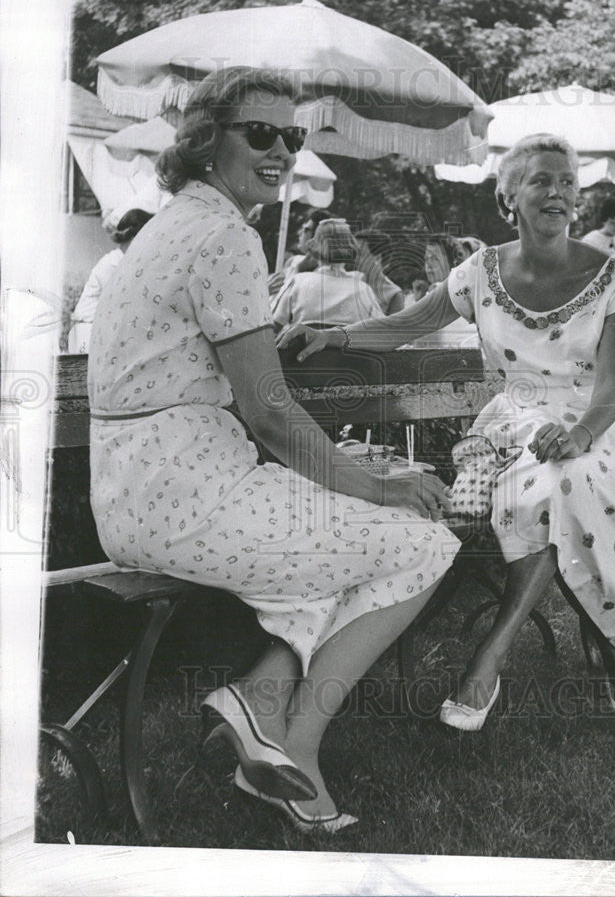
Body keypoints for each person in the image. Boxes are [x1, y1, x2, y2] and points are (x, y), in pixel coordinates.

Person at [87, 66, 458, 831]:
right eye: (261, 133)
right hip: (189, 497)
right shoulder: (224, 233)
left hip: (141, 493)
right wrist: (379, 484)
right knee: (423, 544)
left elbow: (219, 373)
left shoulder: (176, 223)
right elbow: (270, 414)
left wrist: (283, 349)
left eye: (291, 136)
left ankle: (256, 699)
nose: (282, 149)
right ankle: (299, 746)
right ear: (203, 138)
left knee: (335, 542)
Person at [279, 133, 615, 728]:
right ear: (507, 196)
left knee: (568, 478)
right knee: (547, 488)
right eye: (541, 180)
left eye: (567, 182)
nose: (558, 192)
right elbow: (404, 325)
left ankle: (492, 660)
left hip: (601, 429)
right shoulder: (480, 273)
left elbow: (613, 388)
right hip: (515, 426)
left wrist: (579, 436)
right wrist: (337, 335)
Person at [270, 219, 385, 328]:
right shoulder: (362, 289)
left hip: (301, 348)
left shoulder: (298, 281)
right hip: (343, 347)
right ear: (351, 245)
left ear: (315, 246)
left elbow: (273, 323)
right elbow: (380, 329)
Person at [68, 207, 152, 353]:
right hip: (87, 331)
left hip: (98, 331)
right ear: (134, 237)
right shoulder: (112, 264)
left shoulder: (125, 261)